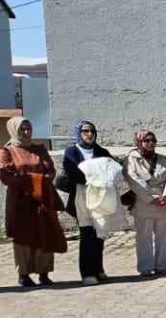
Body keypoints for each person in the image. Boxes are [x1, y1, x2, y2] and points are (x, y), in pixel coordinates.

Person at [1, 117, 67, 287]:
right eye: (22, 129)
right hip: (20, 200)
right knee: (23, 237)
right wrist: (31, 182)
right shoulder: (7, 151)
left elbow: (50, 169)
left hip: (43, 198)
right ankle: (23, 274)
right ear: (14, 130)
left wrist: (42, 180)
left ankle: (44, 272)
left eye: (28, 128)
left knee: (45, 232)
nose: (26, 132)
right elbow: (6, 176)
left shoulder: (39, 149)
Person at [58, 120, 115, 283]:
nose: (89, 134)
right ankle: (88, 273)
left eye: (92, 131)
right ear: (79, 133)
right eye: (85, 131)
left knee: (100, 233)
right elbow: (72, 171)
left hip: (100, 197)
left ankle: (98, 268)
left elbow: (111, 168)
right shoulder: (72, 152)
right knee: (87, 233)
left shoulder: (102, 151)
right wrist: (94, 177)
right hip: (81, 196)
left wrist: (99, 177)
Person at [123, 129, 166, 276]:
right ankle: (146, 267)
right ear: (139, 142)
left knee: (163, 236)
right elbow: (134, 180)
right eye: (146, 140)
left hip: (163, 203)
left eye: (153, 140)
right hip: (144, 202)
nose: (150, 143)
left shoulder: (162, 159)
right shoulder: (131, 159)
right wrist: (152, 198)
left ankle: (163, 265)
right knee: (144, 237)